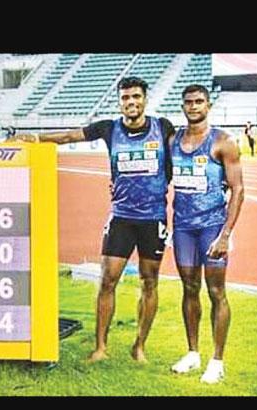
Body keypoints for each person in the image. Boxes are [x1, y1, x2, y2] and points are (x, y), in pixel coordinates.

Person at [11, 76, 176, 363]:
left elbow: (180, 157)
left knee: (149, 283)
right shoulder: (108, 128)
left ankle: (140, 346)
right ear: (119, 101)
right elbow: (69, 137)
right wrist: (36, 138)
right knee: (107, 281)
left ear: (145, 99)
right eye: (125, 98)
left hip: (153, 220)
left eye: (136, 97)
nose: (131, 102)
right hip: (121, 219)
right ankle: (100, 348)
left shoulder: (162, 127)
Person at [169, 84, 244, 384]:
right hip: (183, 227)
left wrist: (225, 234)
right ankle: (192, 353)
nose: (194, 106)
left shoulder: (223, 142)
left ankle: (217, 360)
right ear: (183, 106)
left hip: (212, 227)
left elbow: (238, 190)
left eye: (199, 102)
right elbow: (159, 176)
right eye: (188, 102)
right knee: (189, 288)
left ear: (208, 105)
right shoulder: (174, 140)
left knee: (216, 293)